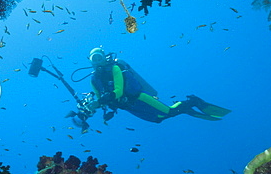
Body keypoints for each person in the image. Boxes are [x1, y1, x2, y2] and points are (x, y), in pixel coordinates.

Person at [84, 47, 231, 124]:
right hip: (128, 107)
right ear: (91, 61)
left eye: (99, 57)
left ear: (104, 57)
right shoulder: (93, 80)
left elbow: (118, 90)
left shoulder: (115, 68)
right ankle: (184, 109)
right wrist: (93, 106)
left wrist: (103, 99)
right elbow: (99, 99)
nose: (97, 61)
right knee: (158, 120)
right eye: (94, 59)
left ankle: (192, 101)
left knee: (168, 112)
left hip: (140, 98)